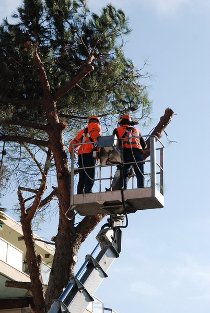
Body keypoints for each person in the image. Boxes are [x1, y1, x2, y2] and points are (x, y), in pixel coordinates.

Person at [113, 114, 147, 189]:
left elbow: (113, 144)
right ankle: (141, 187)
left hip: (126, 152)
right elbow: (144, 145)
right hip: (137, 152)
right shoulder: (136, 130)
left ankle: (123, 188)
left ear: (121, 121)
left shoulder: (117, 130)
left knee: (124, 172)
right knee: (139, 172)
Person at [69, 116, 101, 194]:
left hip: (81, 155)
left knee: (82, 176)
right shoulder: (96, 127)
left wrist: (71, 151)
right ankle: (88, 191)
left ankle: (79, 192)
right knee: (90, 174)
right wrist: (99, 153)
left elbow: (75, 142)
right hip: (90, 154)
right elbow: (98, 139)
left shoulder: (84, 131)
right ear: (97, 121)